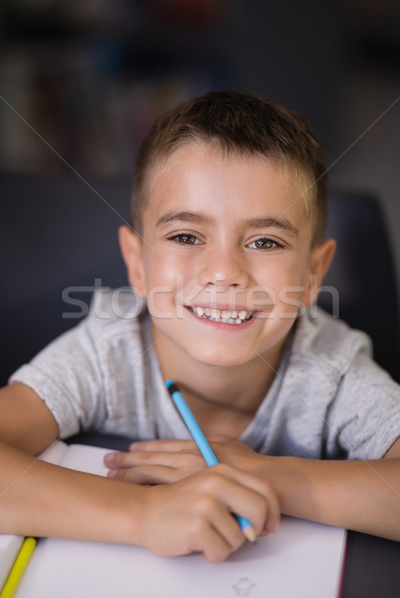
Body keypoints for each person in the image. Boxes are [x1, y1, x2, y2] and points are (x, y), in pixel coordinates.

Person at [0, 91, 399, 563]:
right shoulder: (105, 350)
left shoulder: (331, 366)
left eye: (265, 241)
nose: (224, 270)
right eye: (186, 236)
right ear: (137, 263)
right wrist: (145, 514)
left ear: (313, 275)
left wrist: (265, 476)